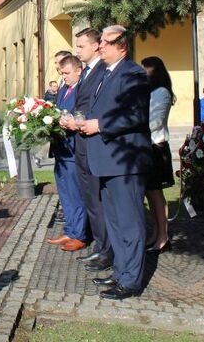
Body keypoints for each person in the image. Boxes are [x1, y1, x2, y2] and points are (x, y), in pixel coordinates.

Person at [78, 25, 152, 300]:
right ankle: (121, 272)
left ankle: (131, 281)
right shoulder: (106, 73)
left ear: (122, 46)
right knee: (116, 223)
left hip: (125, 161)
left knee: (129, 222)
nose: (100, 46)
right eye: (100, 42)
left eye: (106, 43)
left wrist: (100, 124)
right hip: (106, 160)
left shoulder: (133, 74)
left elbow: (135, 115)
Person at [67, 27, 112, 271]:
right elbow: (81, 105)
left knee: (98, 200)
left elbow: (99, 108)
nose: (77, 51)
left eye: (81, 46)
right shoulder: (87, 72)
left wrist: (79, 121)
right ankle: (101, 247)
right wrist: (71, 119)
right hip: (82, 142)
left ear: (95, 46)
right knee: (91, 200)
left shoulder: (103, 71)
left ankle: (106, 251)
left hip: (94, 143)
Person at [46, 55, 88, 251]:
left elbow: (82, 114)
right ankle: (70, 230)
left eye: (67, 73)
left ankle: (79, 234)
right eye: (62, 73)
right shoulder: (64, 89)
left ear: (78, 71)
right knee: (65, 193)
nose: (63, 76)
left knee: (75, 193)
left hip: (73, 148)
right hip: (61, 148)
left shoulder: (82, 89)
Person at [140, 56, 175, 254]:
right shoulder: (149, 91)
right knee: (149, 193)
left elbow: (156, 121)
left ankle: (163, 237)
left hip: (156, 146)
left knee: (156, 194)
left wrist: (135, 127)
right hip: (146, 146)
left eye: (145, 69)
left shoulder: (161, 92)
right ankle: (156, 233)